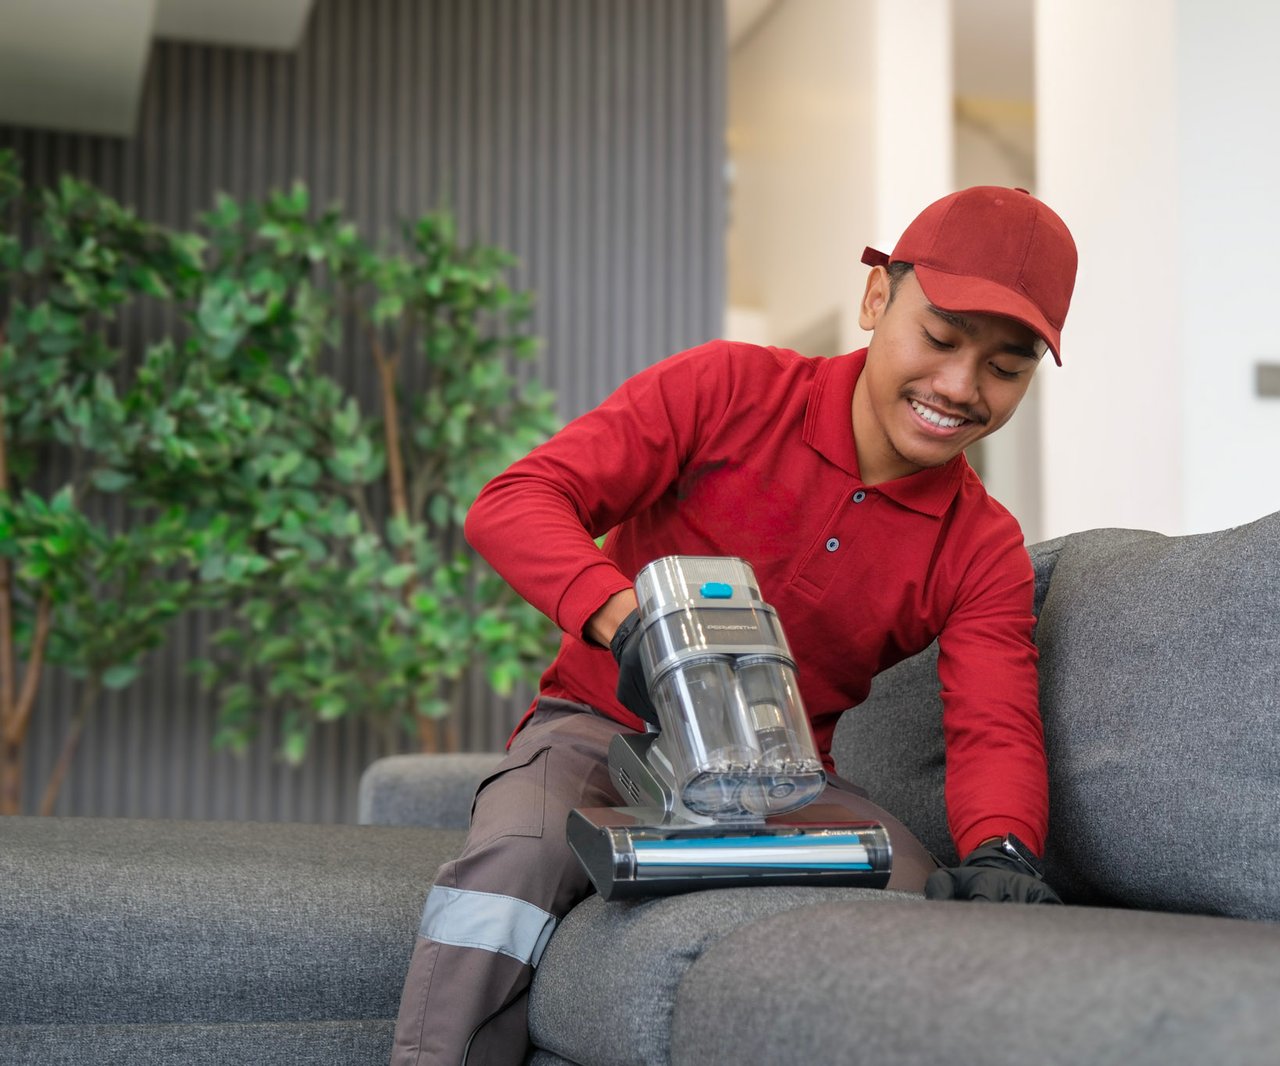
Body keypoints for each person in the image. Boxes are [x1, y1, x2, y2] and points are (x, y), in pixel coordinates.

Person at [389, 185, 1079, 1066]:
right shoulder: (725, 389)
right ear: (877, 298)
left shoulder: (981, 544)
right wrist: (630, 625)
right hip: (599, 734)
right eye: (940, 339)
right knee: (508, 875)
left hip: (782, 785)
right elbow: (517, 500)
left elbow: (995, 721)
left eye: (1005, 368)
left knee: (921, 905)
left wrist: (1003, 852)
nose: (959, 387)